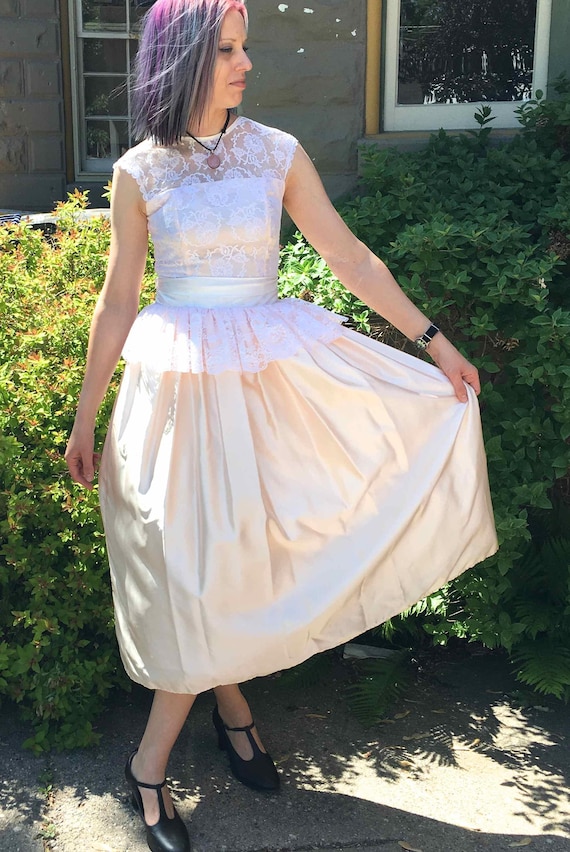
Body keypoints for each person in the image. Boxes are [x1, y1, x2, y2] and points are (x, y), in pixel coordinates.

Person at [65, 1, 498, 850]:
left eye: (245, 46)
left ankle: (203, 727)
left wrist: (435, 342)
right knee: (193, 571)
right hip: (178, 399)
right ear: (184, 59)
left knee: (246, 559)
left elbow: (350, 256)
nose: (246, 63)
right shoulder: (139, 170)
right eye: (228, 49)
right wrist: (85, 420)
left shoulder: (276, 152)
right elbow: (117, 304)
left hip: (267, 392)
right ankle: (172, 754)